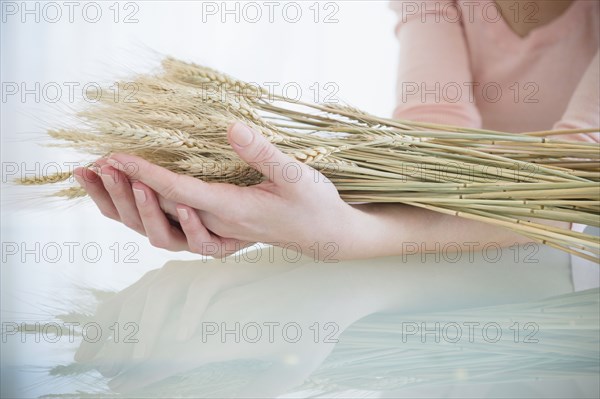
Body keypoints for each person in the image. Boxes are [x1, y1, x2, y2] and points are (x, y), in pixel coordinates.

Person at [73, 0, 598, 274]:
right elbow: (432, 144)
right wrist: (272, 200)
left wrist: (342, 234)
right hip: (485, 254)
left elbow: (579, 179)